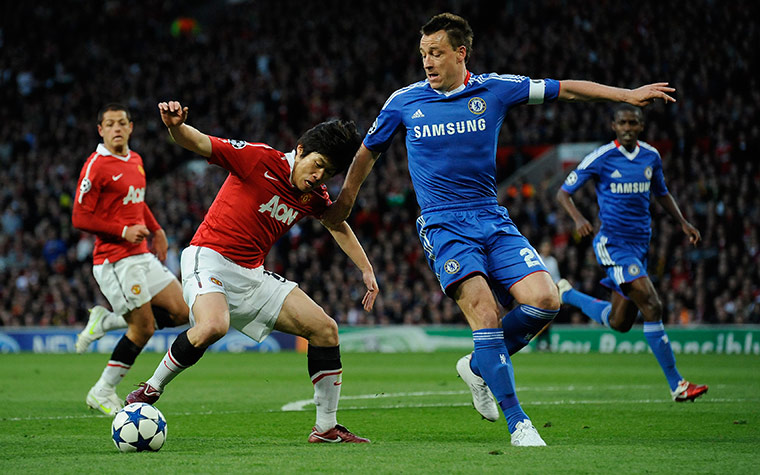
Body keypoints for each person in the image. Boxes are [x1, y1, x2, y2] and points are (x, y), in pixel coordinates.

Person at [323, 12, 679, 447]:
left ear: (460, 52)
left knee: (546, 299)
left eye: (436, 53)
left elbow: (564, 88)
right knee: (486, 314)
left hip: (491, 217)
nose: (428, 62)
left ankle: (478, 366)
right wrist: (344, 201)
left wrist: (626, 94)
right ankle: (519, 423)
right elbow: (367, 152)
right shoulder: (404, 101)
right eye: (422, 55)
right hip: (443, 222)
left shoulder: (494, 89)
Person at [126, 101, 378, 444]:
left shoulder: (313, 195)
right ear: (300, 150)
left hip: (251, 274)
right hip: (209, 257)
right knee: (214, 326)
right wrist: (175, 127)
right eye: (318, 165)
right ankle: (150, 388)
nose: (319, 176)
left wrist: (366, 269)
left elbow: (337, 225)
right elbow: (200, 142)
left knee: (325, 329)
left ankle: (326, 428)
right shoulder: (259, 158)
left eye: (328, 173)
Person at [556, 104, 708, 402]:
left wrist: (682, 222)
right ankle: (677, 384)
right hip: (613, 245)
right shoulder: (601, 157)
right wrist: (579, 219)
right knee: (653, 305)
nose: (627, 127)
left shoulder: (651, 156)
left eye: (633, 123)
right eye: (622, 122)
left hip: (640, 246)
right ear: (614, 125)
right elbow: (563, 193)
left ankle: (567, 294)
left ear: (640, 126)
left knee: (620, 322)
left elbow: (662, 193)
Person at [72, 103, 190, 416]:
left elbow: (136, 202)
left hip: (141, 254)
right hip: (114, 260)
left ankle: (107, 320)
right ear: (101, 130)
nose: (117, 129)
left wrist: (156, 229)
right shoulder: (96, 165)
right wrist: (123, 230)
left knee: (182, 311)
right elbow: (79, 216)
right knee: (143, 328)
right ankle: (103, 390)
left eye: (122, 123)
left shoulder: (135, 160)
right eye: (109, 124)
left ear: (131, 127)